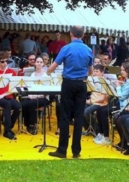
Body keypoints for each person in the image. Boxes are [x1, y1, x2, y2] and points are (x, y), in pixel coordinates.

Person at [46, 25, 93, 159]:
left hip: (68, 83)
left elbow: (54, 66)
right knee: (78, 116)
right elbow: (90, 71)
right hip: (82, 83)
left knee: (65, 116)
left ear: (70, 34)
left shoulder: (66, 48)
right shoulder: (88, 49)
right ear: (83, 35)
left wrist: (47, 72)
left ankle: (62, 150)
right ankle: (76, 151)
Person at [0, 51, 21, 140]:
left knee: (18, 106)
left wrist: (4, 94)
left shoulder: (11, 72)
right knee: (7, 104)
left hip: (8, 95)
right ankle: (7, 131)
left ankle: (9, 125)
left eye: (6, 61)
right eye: (2, 61)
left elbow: (14, 88)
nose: (5, 63)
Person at [20, 55, 49, 135]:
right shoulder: (32, 75)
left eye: (41, 62)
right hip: (33, 96)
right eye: (38, 62)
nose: (39, 64)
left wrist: (35, 96)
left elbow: (45, 91)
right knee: (24, 104)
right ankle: (27, 124)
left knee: (31, 104)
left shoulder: (45, 75)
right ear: (35, 64)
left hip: (43, 97)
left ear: (43, 64)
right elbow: (30, 87)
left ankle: (34, 125)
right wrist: (30, 95)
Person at [83, 64, 110, 145]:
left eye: (97, 71)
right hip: (93, 101)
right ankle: (89, 129)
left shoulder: (105, 82)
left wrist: (91, 102)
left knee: (86, 112)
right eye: (94, 71)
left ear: (102, 73)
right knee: (79, 110)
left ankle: (96, 129)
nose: (95, 73)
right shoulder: (93, 80)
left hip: (100, 103)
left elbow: (103, 99)